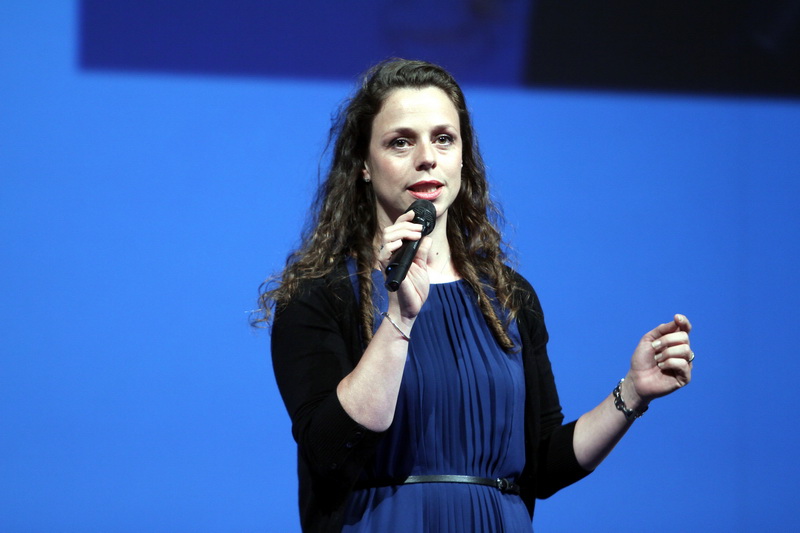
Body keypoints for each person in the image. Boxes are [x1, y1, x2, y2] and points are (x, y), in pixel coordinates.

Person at [256, 59, 694, 532]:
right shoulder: (321, 296)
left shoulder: (508, 295)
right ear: (363, 164)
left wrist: (632, 391)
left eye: (443, 138)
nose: (427, 157)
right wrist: (399, 321)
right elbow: (330, 451)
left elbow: (543, 465)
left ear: (463, 157)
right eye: (401, 141)